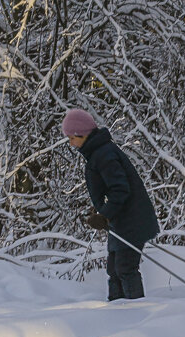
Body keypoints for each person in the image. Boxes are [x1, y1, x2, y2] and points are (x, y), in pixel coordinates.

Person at [64, 108, 159, 300]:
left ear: (82, 134)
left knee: (125, 268)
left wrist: (105, 214)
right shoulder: (98, 152)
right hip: (121, 221)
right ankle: (117, 313)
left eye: (71, 138)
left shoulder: (104, 154)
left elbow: (120, 189)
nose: (71, 143)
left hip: (132, 221)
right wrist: (99, 210)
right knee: (114, 270)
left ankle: (137, 314)